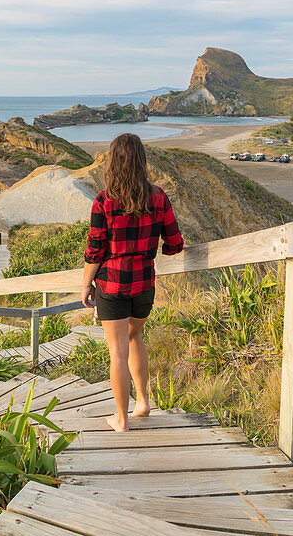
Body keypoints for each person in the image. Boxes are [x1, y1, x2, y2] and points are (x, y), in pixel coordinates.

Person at [82, 133, 184, 432]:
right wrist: (158, 249)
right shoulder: (158, 196)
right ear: (142, 161)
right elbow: (175, 242)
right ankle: (142, 401)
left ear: (113, 161)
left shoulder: (104, 201)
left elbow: (94, 249)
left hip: (112, 285)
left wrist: (87, 284)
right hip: (144, 284)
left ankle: (122, 419)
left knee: (117, 351)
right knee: (134, 338)